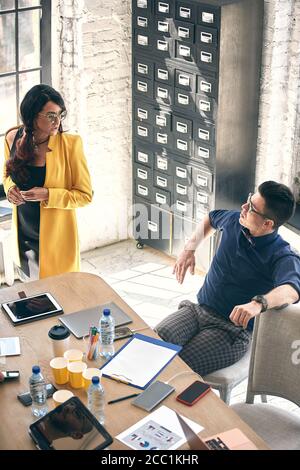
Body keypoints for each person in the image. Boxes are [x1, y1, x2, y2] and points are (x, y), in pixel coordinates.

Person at [155, 181, 300, 376]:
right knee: (153, 344)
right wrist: (189, 248)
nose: (244, 207)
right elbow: (211, 218)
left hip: (231, 331)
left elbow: (291, 290)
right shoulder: (235, 221)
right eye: (249, 200)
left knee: (178, 370)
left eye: (252, 208)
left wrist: (258, 304)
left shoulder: (281, 255)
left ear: (268, 223)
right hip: (197, 311)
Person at [2, 84, 93, 280]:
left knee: (61, 300)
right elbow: (7, 175)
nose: (57, 121)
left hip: (57, 243)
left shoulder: (71, 145)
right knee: (32, 299)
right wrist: (10, 190)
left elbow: (85, 196)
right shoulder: (12, 137)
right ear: (33, 115)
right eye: (51, 115)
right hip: (23, 240)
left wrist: (48, 194)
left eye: (61, 114)